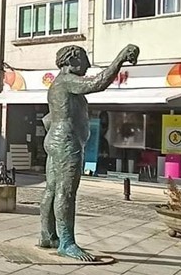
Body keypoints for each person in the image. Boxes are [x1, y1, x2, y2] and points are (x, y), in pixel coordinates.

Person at [39, 44, 141, 261]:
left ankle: (47, 236)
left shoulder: (59, 84)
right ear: (72, 60)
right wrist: (120, 58)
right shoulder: (66, 80)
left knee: (52, 189)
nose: (87, 64)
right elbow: (98, 82)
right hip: (66, 142)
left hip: (56, 139)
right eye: (84, 60)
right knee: (65, 192)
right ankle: (66, 243)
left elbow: (49, 117)